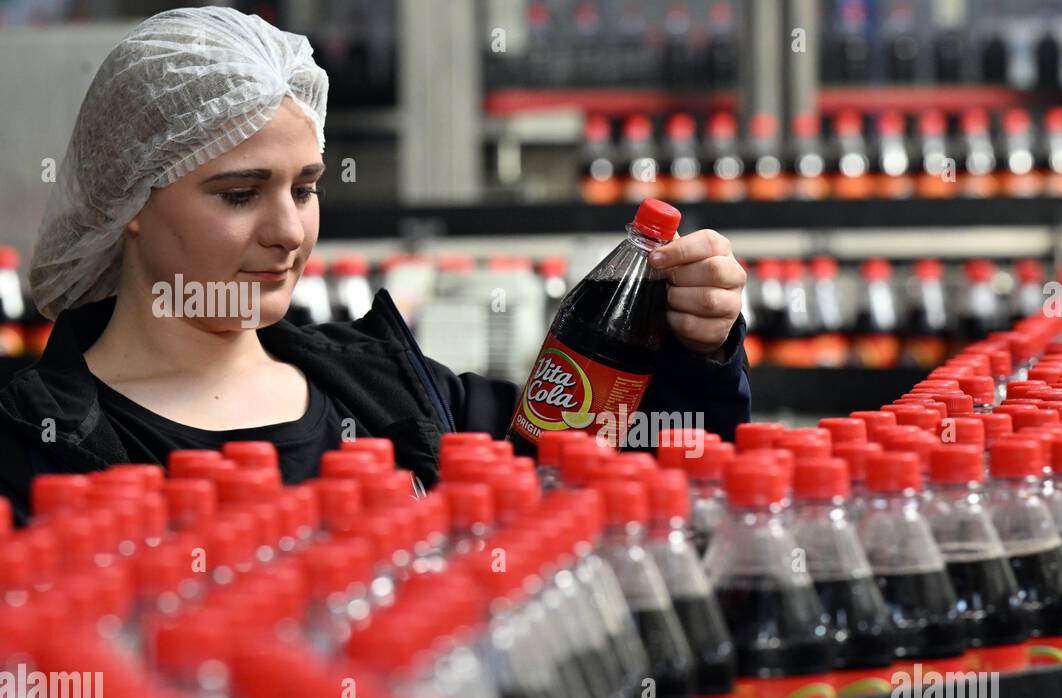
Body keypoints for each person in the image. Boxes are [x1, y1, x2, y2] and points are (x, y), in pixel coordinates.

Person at [0, 7, 751, 524]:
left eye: (305, 188)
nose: (289, 232)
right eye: (238, 194)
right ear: (128, 194)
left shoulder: (403, 395)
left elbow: (642, 479)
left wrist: (696, 350)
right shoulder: (36, 447)